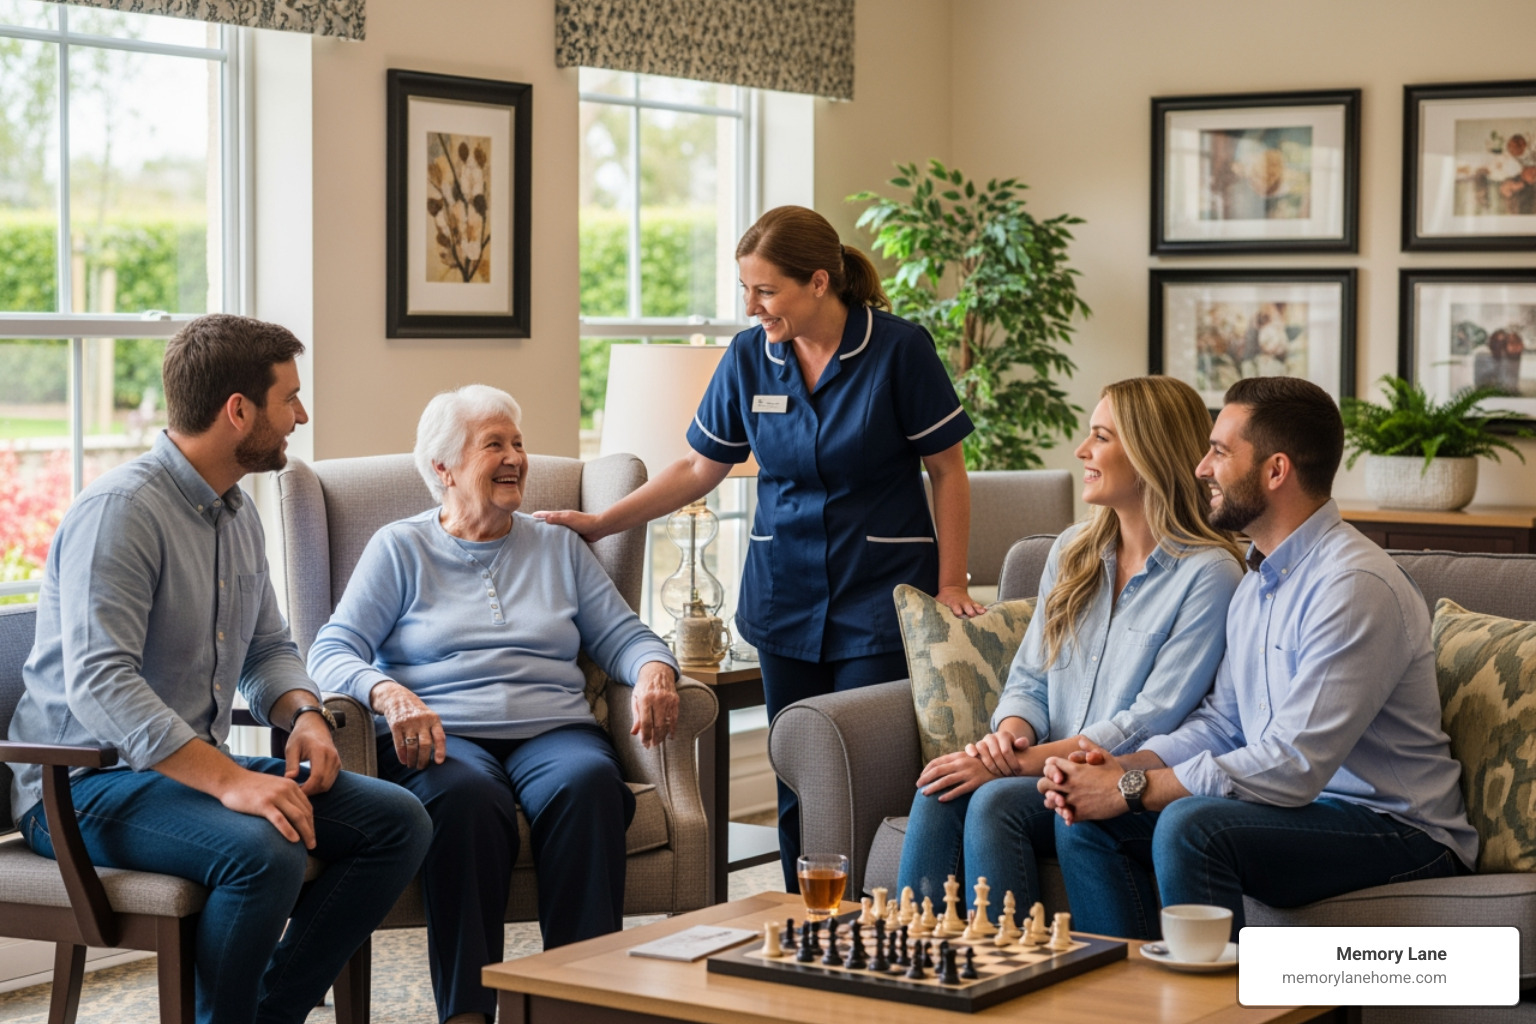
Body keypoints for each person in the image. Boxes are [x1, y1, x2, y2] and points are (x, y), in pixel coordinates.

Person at [539, 205, 982, 888]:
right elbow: (697, 468)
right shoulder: (752, 357)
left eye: (765, 291)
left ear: (817, 282)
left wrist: (951, 583)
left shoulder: (898, 349)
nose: (751, 307)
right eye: (746, 290)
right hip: (783, 600)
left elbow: (947, 470)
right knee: (797, 773)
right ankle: (802, 920)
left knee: (866, 772)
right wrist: (604, 522)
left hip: (882, 598)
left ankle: (876, 928)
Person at [7, 314, 431, 1024]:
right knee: (264, 851)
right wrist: (233, 780)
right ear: (238, 411)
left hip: (179, 776)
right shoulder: (121, 512)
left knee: (399, 820)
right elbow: (100, 681)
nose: (302, 415)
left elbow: (268, 647)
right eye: (288, 398)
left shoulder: (236, 512)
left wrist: (304, 715)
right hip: (80, 786)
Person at [1040, 376, 1477, 941]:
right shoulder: (1257, 583)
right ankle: (1130, 1003)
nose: (1201, 468)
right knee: (1088, 825)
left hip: (1398, 829)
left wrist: (1136, 789)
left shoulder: (1353, 584)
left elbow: (1293, 763)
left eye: (1220, 452)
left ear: (1275, 471)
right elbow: (1224, 724)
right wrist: (1122, 767)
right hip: (1303, 812)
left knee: (1191, 825)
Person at [307, 384, 681, 1024]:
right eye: (494, 445)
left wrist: (654, 670)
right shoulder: (401, 548)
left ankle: (578, 1004)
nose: (515, 458)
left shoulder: (557, 544)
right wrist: (388, 691)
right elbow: (331, 648)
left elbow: (626, 636)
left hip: (553, 729)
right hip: (442, 735)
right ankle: (468, 1013)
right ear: (443, 469)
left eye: (518, 443)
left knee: (589, 783)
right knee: (464, 801)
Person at [896, 376, 1244, 919]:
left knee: (991, 799)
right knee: (941, 787)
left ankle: (1008, 976)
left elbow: (1151, 719)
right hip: (1041, 762)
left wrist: (1015, 766)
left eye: (1100, 438)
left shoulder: (1210, 573)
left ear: (1149, 452)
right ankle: (910, 963)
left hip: (1117, 772)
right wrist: (1008, 739)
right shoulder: (1071, 551)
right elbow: (1031, 677)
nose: (1082, 452)